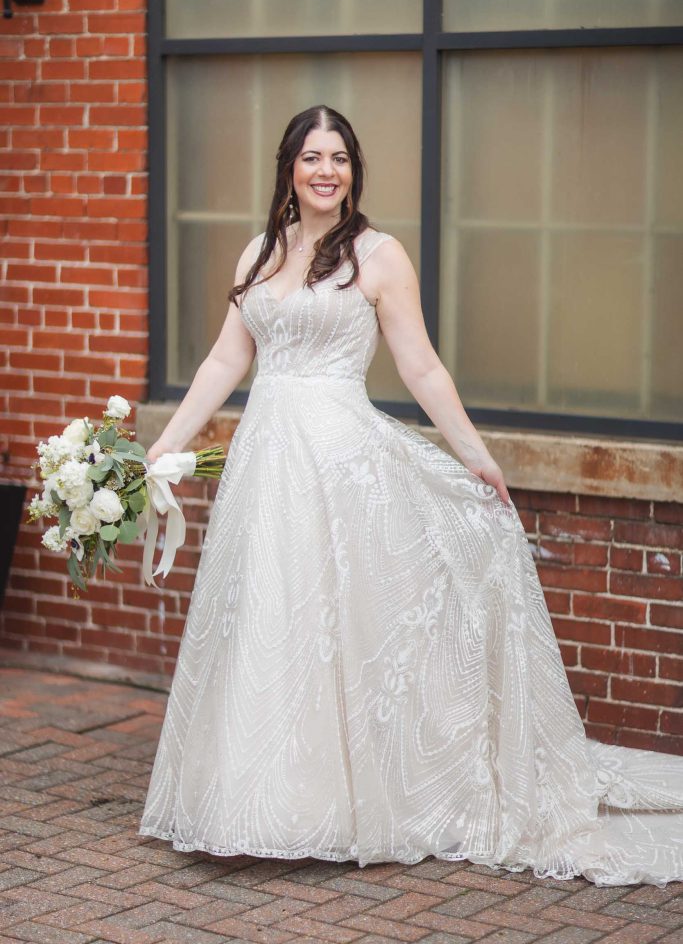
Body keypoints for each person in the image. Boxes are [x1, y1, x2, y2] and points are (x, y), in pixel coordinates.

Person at [139, 105, 683, 886]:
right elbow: (227, 361)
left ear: (353, 170)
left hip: (338, 462)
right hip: (267, 460)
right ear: (288, 168)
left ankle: (333, 805)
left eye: (340, 158)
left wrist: (476, 456)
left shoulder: (378, 255)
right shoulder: (258, 252)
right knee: (264, 617)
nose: (325, 170)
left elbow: (422, 369)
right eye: (311, 156)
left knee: (330, 627)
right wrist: (168, 444)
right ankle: (250, 802)